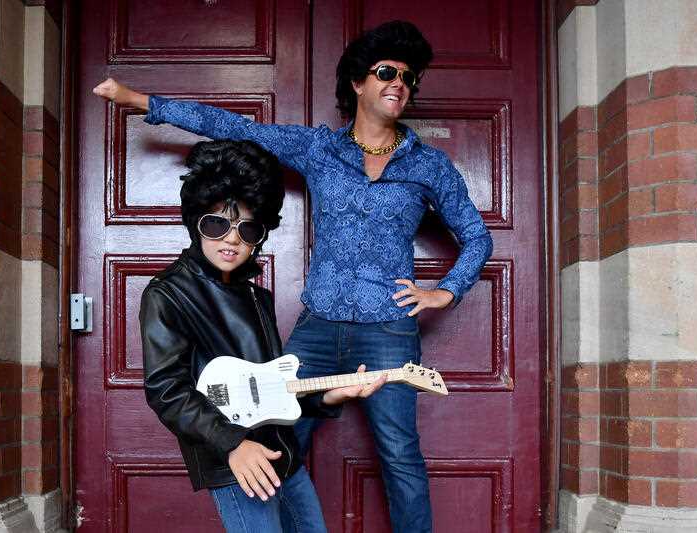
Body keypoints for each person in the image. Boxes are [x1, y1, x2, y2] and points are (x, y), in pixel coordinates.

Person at [100, 20, 493, 533]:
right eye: (386, 72)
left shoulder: (430, 166)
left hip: (389, 329)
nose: (400, 82)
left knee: (400, 454)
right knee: (278, 431)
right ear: (358, 82)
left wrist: (446, 290)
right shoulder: (318, 149)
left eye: (409, 77)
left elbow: (477, 236)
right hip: (319, 325)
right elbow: (238, 128)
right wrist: (145, 102)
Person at [138, 140, 386, 533]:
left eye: (247, 228)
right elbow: (166, 389)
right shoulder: (167, 293)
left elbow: (272, 386)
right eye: (217, 223)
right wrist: (233, 444)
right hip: (235, 460)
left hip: (283, 453)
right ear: (195, 222)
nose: (232, 239)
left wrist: (328, 397)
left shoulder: (257, 297)